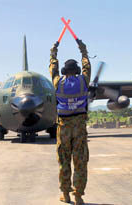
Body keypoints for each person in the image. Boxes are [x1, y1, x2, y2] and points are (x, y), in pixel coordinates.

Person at [49, 39, 91, 205]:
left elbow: (52, 68)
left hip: (63, 127)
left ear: (65, 71)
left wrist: (54, 52)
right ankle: (78, 196)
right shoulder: (83, 81)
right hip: (79, 126)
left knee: (64, 160)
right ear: (77, 70)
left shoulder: (58, 82)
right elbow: (87, 66)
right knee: (80, 161)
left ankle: (65, 194)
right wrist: (83, 49)